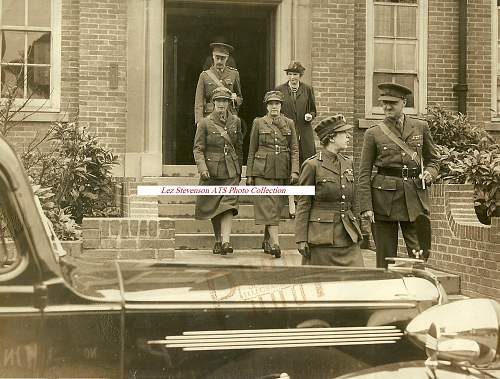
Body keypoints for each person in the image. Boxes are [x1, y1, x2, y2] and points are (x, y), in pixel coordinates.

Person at [358, 82, 439, 268]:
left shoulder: (420, 127)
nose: (387, 107)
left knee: (419, 255)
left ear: (403, 102)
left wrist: (429, 173)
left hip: (414, 199)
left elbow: (434, 160)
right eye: (384, 102)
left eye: (392, 103)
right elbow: (363, 173)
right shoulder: (373, 133)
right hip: (384, 201)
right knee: (385, 260)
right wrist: (366, 207)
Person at [295, 114, 364, 267]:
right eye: (344, 133)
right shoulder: (312, 165)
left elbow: (354, 200)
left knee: (357, 280)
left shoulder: (348, 163)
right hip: (321, 237)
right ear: (332, 137)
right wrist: (301, 238)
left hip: (348, 234)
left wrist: (358, 226)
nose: (348, 137)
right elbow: (303, 203)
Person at [246, 91, 299, 258]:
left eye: (277, 103)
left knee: (275, 207)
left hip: (282, 170)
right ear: (267, 106)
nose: (274, 106)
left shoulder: (289, 123)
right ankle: (276, 244)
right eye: (271, 104)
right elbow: (252, 149)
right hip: (262, 170)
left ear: (281, 106)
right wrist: (249, 174)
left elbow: (295, 150)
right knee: (268, 206)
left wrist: (295, 170)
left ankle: (267, 241)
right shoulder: (259, 123)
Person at [193, 87, 243, 255]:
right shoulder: (204, 123)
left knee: (228, 205)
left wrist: (239, 170)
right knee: (214, 205)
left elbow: (238, 147)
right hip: (212, 171)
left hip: (231, 170)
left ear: (229, 103)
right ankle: (218, 240)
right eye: (219, 101)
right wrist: (203, 168)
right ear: (213, 103)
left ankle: (226, 242)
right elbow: (198, 149)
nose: (222, 104)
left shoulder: (235, 121)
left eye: (225, 101)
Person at [275, 61, 317, 165]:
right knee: (287, 160)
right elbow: (276, 111)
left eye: (295, 74)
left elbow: (313, 110)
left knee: (306, 161)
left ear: (300, 75)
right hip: (286, 131)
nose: (292, 77)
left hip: (304, 132)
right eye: (290, 74)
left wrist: (310, 116)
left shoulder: (307, 89)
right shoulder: (279, 89)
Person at [194, 41, 243, 124]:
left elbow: (240, 97)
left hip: (229, 116)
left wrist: (235, 99)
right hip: (210, 117)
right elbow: (199, 101)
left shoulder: (234, 74)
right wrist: (199, 121)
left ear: (227, 58)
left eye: (222, 58)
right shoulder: (204, 75)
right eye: (217, 58)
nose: (219, 61)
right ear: (213, 57)